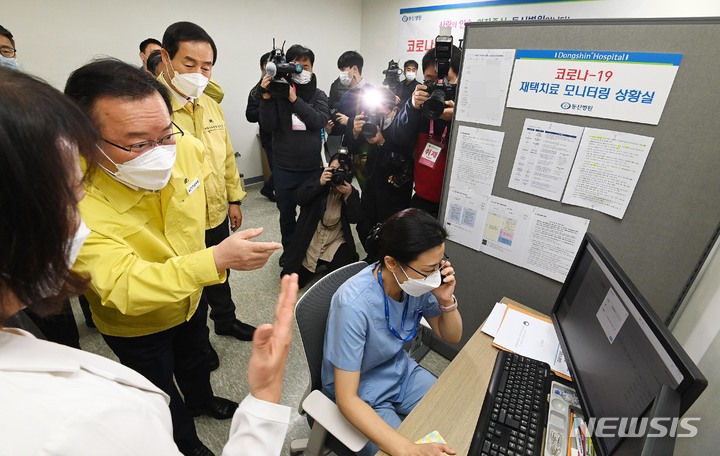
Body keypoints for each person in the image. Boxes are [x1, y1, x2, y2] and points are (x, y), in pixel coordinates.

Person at [0, 66, 296, 456]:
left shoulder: (184, 148)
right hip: (137, 323)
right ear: (85, 141)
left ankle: (203, 398)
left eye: (164, 134)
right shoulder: (81, 198)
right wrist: (215, 260)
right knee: (160, 393)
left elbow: (204, 201)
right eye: (137, 144)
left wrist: (228, 214)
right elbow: (124, 285)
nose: (159, 153)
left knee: (195, 360)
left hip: (191, 297)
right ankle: (187, 443)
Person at [322, 208, 462, 456]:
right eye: (428, 269)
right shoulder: (353, 304)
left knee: (455, 417)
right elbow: (347, 398)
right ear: (391, 263)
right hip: (361, 392)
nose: (435, 276)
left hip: (399, 371)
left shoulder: (413, 284)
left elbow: (451, 335)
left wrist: (446, 301)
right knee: (401, 449)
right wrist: (409, 450)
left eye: (438, 265)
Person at [159, 22, 254, 343]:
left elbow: (225, 156)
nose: (199, 73)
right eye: (189, 63)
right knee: (190, 280)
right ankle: (197, 342)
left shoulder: (210, 104)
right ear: (166, 57)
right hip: (179, 222)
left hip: (214, 211)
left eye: (206, 66)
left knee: (219, 270)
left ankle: (226, 320)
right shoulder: (152, 107)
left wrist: (234, 199)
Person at [258, 43, 330, 259]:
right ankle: (290, 252)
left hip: (311, 168)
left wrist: (294, 100)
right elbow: (268, 125)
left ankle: (307, 252)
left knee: (311, 215)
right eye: (295, 65)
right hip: (284, 168)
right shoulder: (277, 93)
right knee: (286, 215)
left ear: (312, 68)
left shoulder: (319, 95)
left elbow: (319, 121)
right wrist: (266, 97)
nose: (300, 70)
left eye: (305, 66)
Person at [389, 45, 462, 218]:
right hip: (422, 198)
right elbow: (397, 139)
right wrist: (412, 107)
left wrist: (457, 122)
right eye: (429, 80)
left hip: (455, 204)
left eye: (445, 80)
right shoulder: (419, 108)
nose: (437, 86)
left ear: (459, 78)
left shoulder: (467, 112)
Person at [280, 153, 362, 288]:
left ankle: (325, 262)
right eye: (333, 170)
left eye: (341, 171)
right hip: (311, 238)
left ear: (349, 173)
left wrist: (349, 195)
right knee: (293, 283)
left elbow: (355, 218)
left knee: (342, 279)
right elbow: (299, 198)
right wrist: (319, 183)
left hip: (335, 240)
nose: (337, 175)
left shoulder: (350, 192)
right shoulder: (318, 181)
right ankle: (317, 263)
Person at [347, 88, 414, 250]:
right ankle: (372, 258)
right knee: (365, 226)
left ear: (395, 110)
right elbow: (354, 150)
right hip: (370, 188)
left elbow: (404, 161)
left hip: (394, 194)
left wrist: (382, 142)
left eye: (382, 107)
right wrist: (355, 133)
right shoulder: (369, 125)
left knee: (391, 233)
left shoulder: (402, 129)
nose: (377, 112)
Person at [246, 51, 275, 202]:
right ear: (262, 68)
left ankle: (270, 188)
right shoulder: (256, 91)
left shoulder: (284, 86)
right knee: (277, 169)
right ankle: (269, 189)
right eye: (267, 65)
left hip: (286, 136)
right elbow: (250, 115)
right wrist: (265, 103)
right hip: (269, 136)